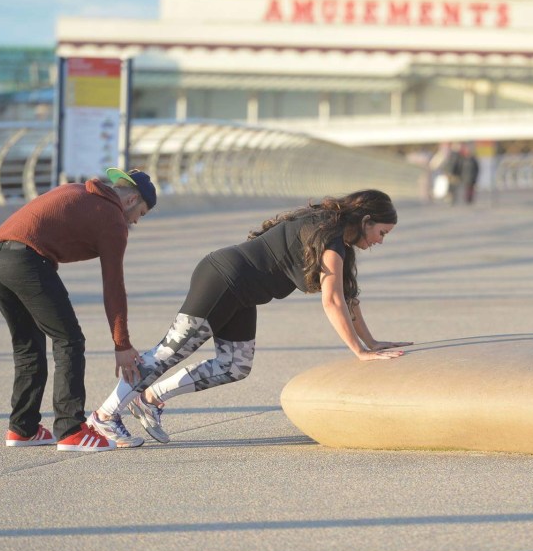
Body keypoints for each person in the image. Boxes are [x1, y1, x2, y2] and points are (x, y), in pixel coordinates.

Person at [88, 189, 412, 447]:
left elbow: (348, 297)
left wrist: (371, 342)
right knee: (168, 352)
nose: (380, 241)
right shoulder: (330, 237)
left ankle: (151, 399)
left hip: (242, 293)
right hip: (222, 278)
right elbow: (332, 300)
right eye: (382, 232)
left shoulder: (335, 234)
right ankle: (104, 416)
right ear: (367, 220)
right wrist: (359, 351)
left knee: (235, 365)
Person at [0, 168, 157, 452]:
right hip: (27, 262)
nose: (137, 220)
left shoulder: (78, 190)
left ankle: (23, 429)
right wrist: (121, 343)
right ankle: (71, 430)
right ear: (131, 198)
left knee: (29, 345)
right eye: (142, 213)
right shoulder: (113, 218)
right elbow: (113, 285)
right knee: (70, 341)